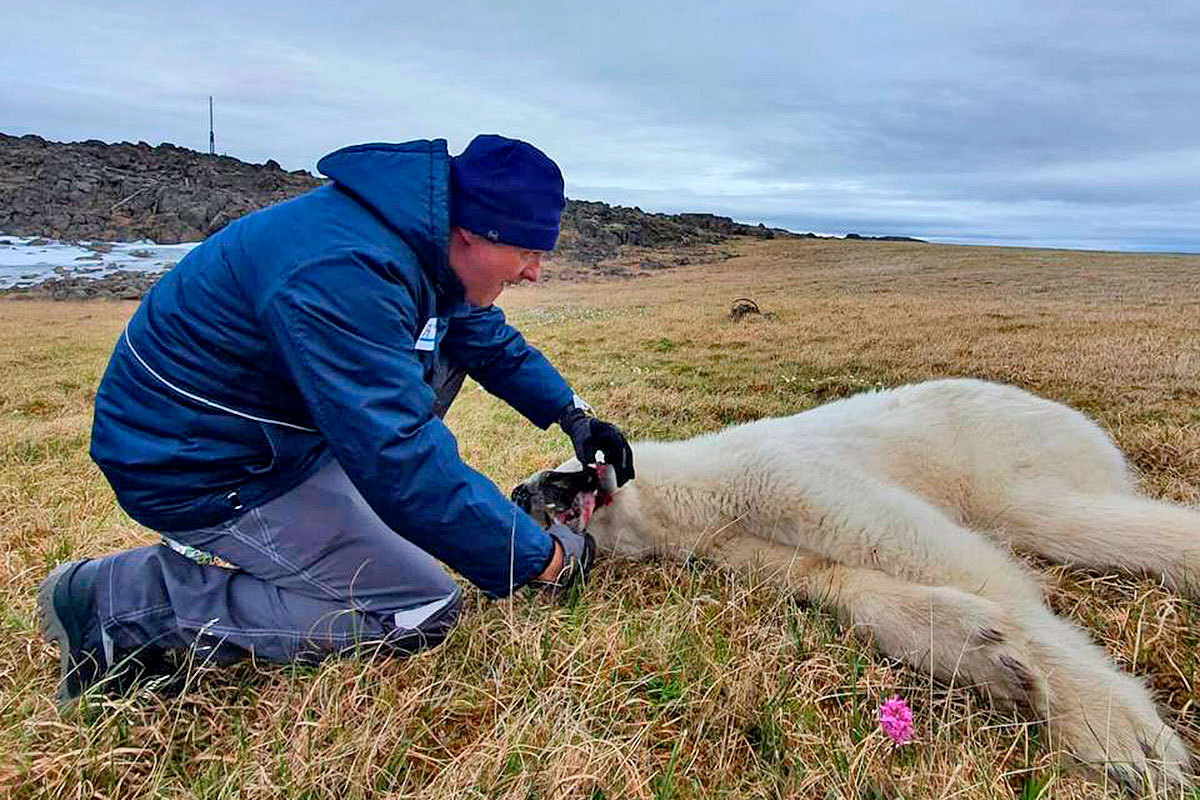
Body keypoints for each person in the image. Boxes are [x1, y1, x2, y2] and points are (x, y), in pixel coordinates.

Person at [36, 134, 635, 702]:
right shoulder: (346, 271)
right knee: (418, 606)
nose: (533, 272)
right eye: (528, 251)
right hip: (197, 463)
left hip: (268, 438)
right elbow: (398, 456)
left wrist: (574, 416)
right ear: (472, 233)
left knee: (413, 515)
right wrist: (542, 560)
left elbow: (483, 339)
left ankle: (332, 529)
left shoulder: (418, 246)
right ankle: (120, 602)